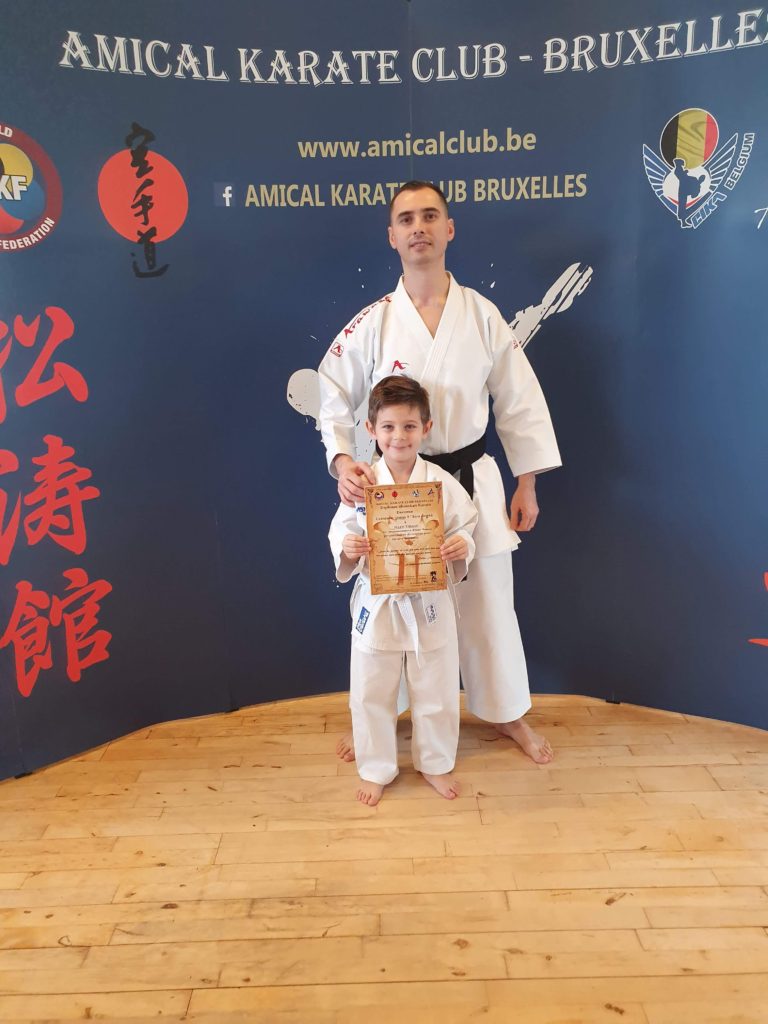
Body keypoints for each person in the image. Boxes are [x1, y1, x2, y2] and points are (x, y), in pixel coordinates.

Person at [319, 180, 561, 765]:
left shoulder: (481, 315)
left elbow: (518, 396)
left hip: (470, 478)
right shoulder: (374, 321)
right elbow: (331, 389)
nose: (419, 228)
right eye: (406, 219)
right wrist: (343, 459)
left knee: (489, 605)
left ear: (449, 229)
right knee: (394, 603)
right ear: (392, 236)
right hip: (396, 488)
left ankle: (507, 713)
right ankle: (383, 719)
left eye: (430, 216)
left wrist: (527, 481)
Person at [329, 375, 477, 805]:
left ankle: (435, 763)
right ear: (371, 430)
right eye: (389, 426)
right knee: (370, 691)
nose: (399, 436)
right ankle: (376, 769)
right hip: (379, 603)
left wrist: (460, 545)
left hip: (429, 601)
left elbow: (466, 525)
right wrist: (349, 547)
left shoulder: (441, 483)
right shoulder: (362, 483)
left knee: (437, 688)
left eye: (410, 426)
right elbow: (341, 530)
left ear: (426, 428)